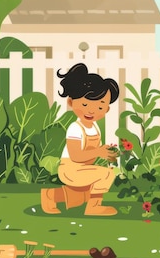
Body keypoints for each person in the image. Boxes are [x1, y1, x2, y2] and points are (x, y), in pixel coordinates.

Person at [41, 63, 120, 216]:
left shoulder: (94, 127)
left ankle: (50, 195)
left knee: (79, 197)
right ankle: (94, 207)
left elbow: (91, 152)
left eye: (100, 106)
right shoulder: (75, 129)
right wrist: (98, 152)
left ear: (107, 109)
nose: (91, 110)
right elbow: (76, 155)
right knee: (106, 174)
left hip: (82, 168)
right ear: (71, 102)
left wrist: (105, 152)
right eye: (84, 104)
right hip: (70, 169)